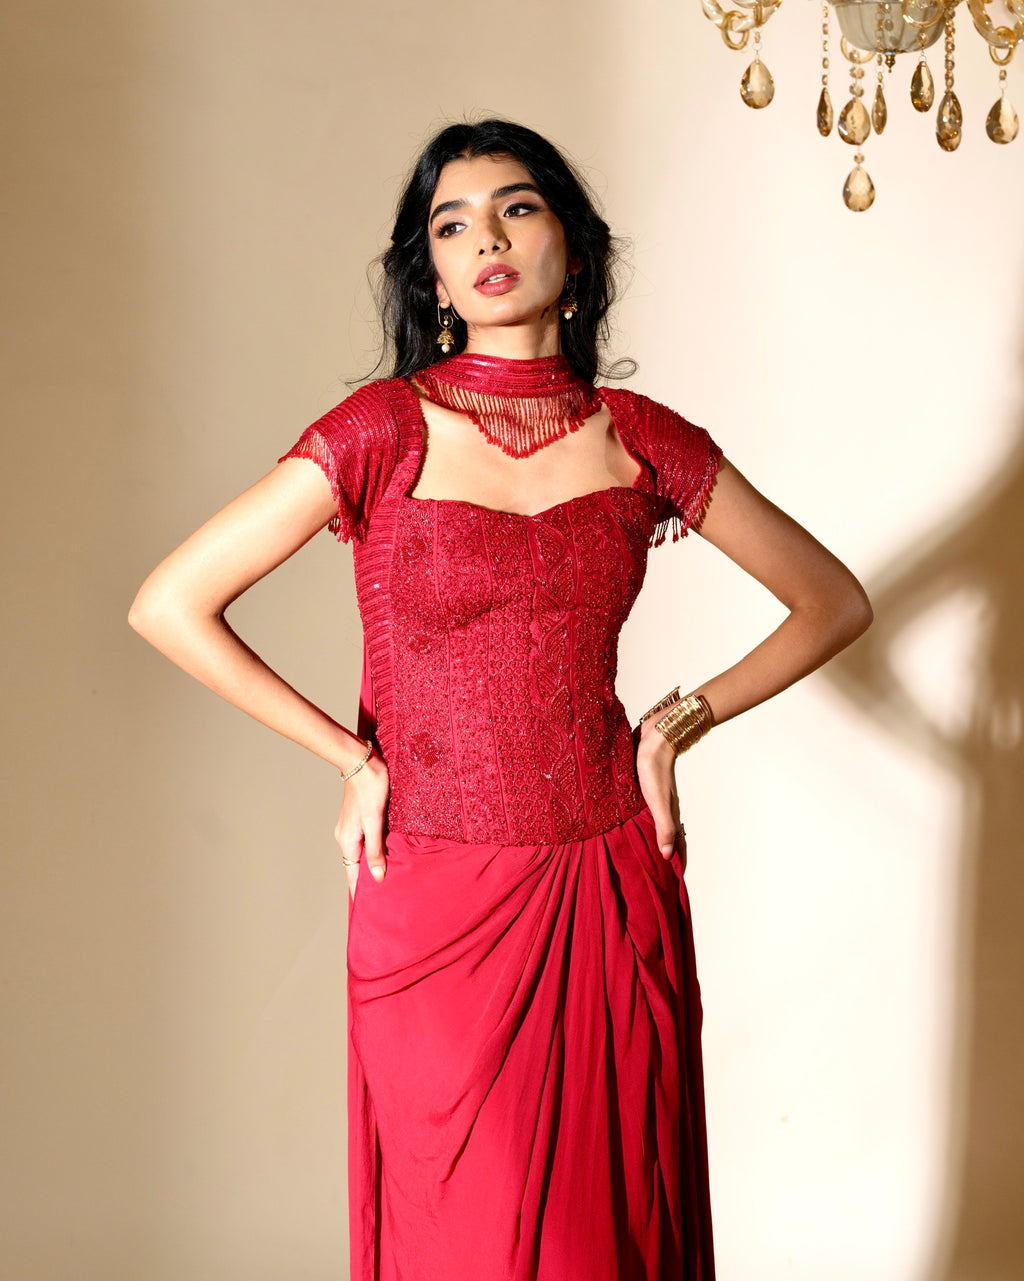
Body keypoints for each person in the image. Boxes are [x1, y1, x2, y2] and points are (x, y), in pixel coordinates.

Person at [129, 118, 872, 1281]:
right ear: (427, 272)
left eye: (519, 209)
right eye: (452, 222)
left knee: (600, 1245)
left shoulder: (644, 442)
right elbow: (170, 604)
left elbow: (830, 601)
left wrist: (677, 725)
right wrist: (350, 758)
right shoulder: (374, 432)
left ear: (573, 250)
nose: (487, 238)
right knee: (457, 1240)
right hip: (429, 895)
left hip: (603, 882)